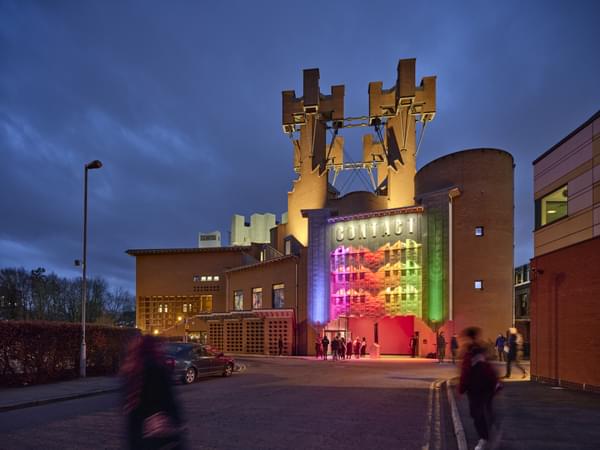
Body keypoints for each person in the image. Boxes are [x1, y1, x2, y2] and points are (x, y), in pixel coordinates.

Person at [122, 335, 184, 450]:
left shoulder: (131, 372)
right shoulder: (158, 369)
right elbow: (170, 402)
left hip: (138, 437)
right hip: (160, 436)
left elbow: (129, 409)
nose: (163, 349)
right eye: (160, 346)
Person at [458, 327, 501, 450]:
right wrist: (496, 383)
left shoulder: (470, 352)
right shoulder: (482, 349)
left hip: (475, 388)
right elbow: (489, 367)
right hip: (488, 386)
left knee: (476, 413)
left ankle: (484, 438)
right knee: (486, 409)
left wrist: (461, 388)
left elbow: (466, 371)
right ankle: (492, 430)